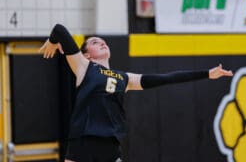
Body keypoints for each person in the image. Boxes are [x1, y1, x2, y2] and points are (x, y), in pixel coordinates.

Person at [39, 24, 233, 162]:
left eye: (104, 41)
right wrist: (52, 41)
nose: (102, 43)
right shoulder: (83, 66)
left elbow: (166, 78)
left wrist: (208, 73)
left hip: (110, 144)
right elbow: (59, 30)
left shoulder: (124, 78)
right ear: (87, 53)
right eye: (96, 42)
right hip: (83, 142)